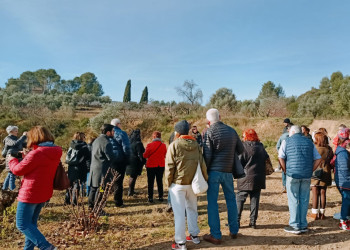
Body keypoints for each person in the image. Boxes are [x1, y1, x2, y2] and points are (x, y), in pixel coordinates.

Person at [8, 126, 62, 250]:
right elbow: (40, 163)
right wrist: (29, 155)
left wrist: (12, 160)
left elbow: (17, 170)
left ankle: (47, 247)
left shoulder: (37, 154)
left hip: (30, 193)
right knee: (31, 224)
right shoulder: (56, 151)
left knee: (22, 224)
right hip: (43, 192)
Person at [203, 108, 244, 245]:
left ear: (208, 120)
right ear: (220, 117)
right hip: (228, 171)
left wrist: (205, 171)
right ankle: (234, 230)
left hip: (214, 171)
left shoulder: (209, 131)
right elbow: (241, 150)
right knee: (231, 200)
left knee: (213, 203)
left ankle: (216, 235)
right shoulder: (232, 131)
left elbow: (207, 154)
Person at [165, 120, 208, 250]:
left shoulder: (174, 145)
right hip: (192, 184)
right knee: (192, 210)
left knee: (179, 214)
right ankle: (194, 236)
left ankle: (181, 242)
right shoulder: (195, 145)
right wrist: (205, 179)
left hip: (177, 184)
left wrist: (168, 183)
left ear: (177, 132)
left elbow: (169, 166)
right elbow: (202, 164)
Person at [278, 125, 321, 234]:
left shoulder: (286, 141)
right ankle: (303, 224)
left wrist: (285, 170)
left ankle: (294, 225)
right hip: (306, 175)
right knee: (304, 199)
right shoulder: (309, 142)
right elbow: (318, 159)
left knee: (293, 199)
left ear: (292, 132)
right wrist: (311, 170)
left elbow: (280, 157)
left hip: (292, 175)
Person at [236, 129, 269, 229]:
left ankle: (236, 222)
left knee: (239, 199)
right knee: (255, 199)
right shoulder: (261, 146)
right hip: (258, 176)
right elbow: (266, 158)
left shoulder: (243, 147)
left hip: (244, 177)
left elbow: (239, 161)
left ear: (246, 137)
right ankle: (253, 222)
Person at [88, 124, 116, 209]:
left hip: (94, 168)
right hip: (102, 170)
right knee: (101, 189)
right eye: (112, 131)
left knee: (93, 188)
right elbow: (110, 157)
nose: (114, 133)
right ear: (108, 132)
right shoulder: (107, 142)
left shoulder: (96, 140)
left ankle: (91, 206)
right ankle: (98, 209)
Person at [308, 132, 334, 220]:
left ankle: (314, 214)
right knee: (323, 193)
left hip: (315, 171)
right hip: (326, 171)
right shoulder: (329, 149)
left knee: (315, 193)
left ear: (317, 139)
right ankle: (322, 214)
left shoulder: (313, 148)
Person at [65, 132, 91, 205]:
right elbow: (87, 158)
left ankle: (67, 200)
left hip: (71, 167)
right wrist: (88, 168)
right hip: (81, 167)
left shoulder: (71, 145)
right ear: (82, 138)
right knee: (77, 184)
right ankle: (74, 201)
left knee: (69, 184)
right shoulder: (84, 146)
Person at [110, 118, 130, 207]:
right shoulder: (122, 133)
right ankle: (118, 202)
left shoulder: (108, 134)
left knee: (108, 180)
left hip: (110, 160)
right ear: (118, 124)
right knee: (118, 182)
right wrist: (128, 158)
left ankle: (102, 198)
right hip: (120, 160)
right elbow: (126, 147)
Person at [143, 131, 167, 203]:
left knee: (150, 182)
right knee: (160, 181)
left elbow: (145, 155)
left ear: (153, 137)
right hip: (161, 165)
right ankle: (161, 196)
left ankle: (150, 198)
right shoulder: (163, 145)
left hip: (151, 165)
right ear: (160, 137)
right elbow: (165, 155)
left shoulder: (149, 145)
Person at [2, 125, 27, 191]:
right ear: (11, 131)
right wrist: (24, 136)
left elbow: (24, 144)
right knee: (13, 173)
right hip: (11, 157)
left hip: (17, 156)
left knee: (11, 173)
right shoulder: (8, 139)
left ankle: (4, 188)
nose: (17, 132)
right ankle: (12, 189)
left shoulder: (16, 138)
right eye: (15, 130)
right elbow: (15, 144)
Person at [334, 128, 350, 230]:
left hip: (343, 180)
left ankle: (346, 219)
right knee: (346, 201)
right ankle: (343, 222)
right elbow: (344, 169)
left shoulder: (341, 151)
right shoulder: (343, 153)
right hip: (345, 181)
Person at [125, 129, 145, 196]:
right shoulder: (138, 143)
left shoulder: (129, 142)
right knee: (133, 177)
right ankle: (130, 191)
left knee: (132, 177)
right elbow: (140, 154)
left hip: (128, 161)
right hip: (135, 162)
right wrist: (143, 161)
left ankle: (131, 191)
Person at [275, 124, 291, 191]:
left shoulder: (282, 136)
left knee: (284, 171)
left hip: (284, 156)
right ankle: (288, 185)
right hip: (291, 156)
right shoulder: (294, 137)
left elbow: (277, 146)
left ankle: (285, 186)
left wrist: (280, 153)